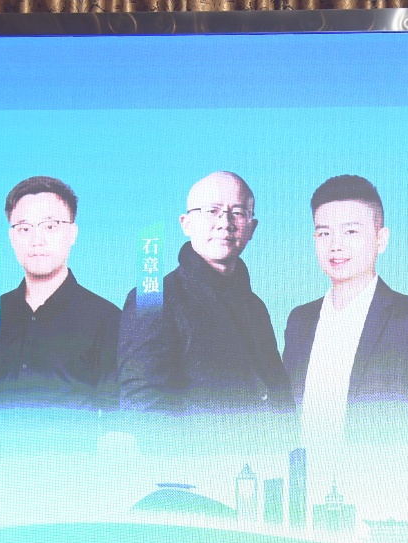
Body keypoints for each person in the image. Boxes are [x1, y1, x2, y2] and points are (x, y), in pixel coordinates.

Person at [281, 175, 408, 445]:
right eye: (324, 233)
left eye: (350, 232)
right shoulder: (300, 321)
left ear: (381, 240)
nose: (335, 245)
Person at [117, 171, 292, 414]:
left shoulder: (255, 306)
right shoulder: (152, 297)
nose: (225, 223)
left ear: (251, 228)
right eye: (212, 211)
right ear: (186, 224)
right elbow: (143, 407)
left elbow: (280, 398)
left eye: (238, 212)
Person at [0, 175, 121, 410]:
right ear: (12, 237)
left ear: (73, 233)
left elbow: (114, 417)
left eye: (49, 226)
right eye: (25, 228)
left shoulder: (107, 319)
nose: (37, 240)